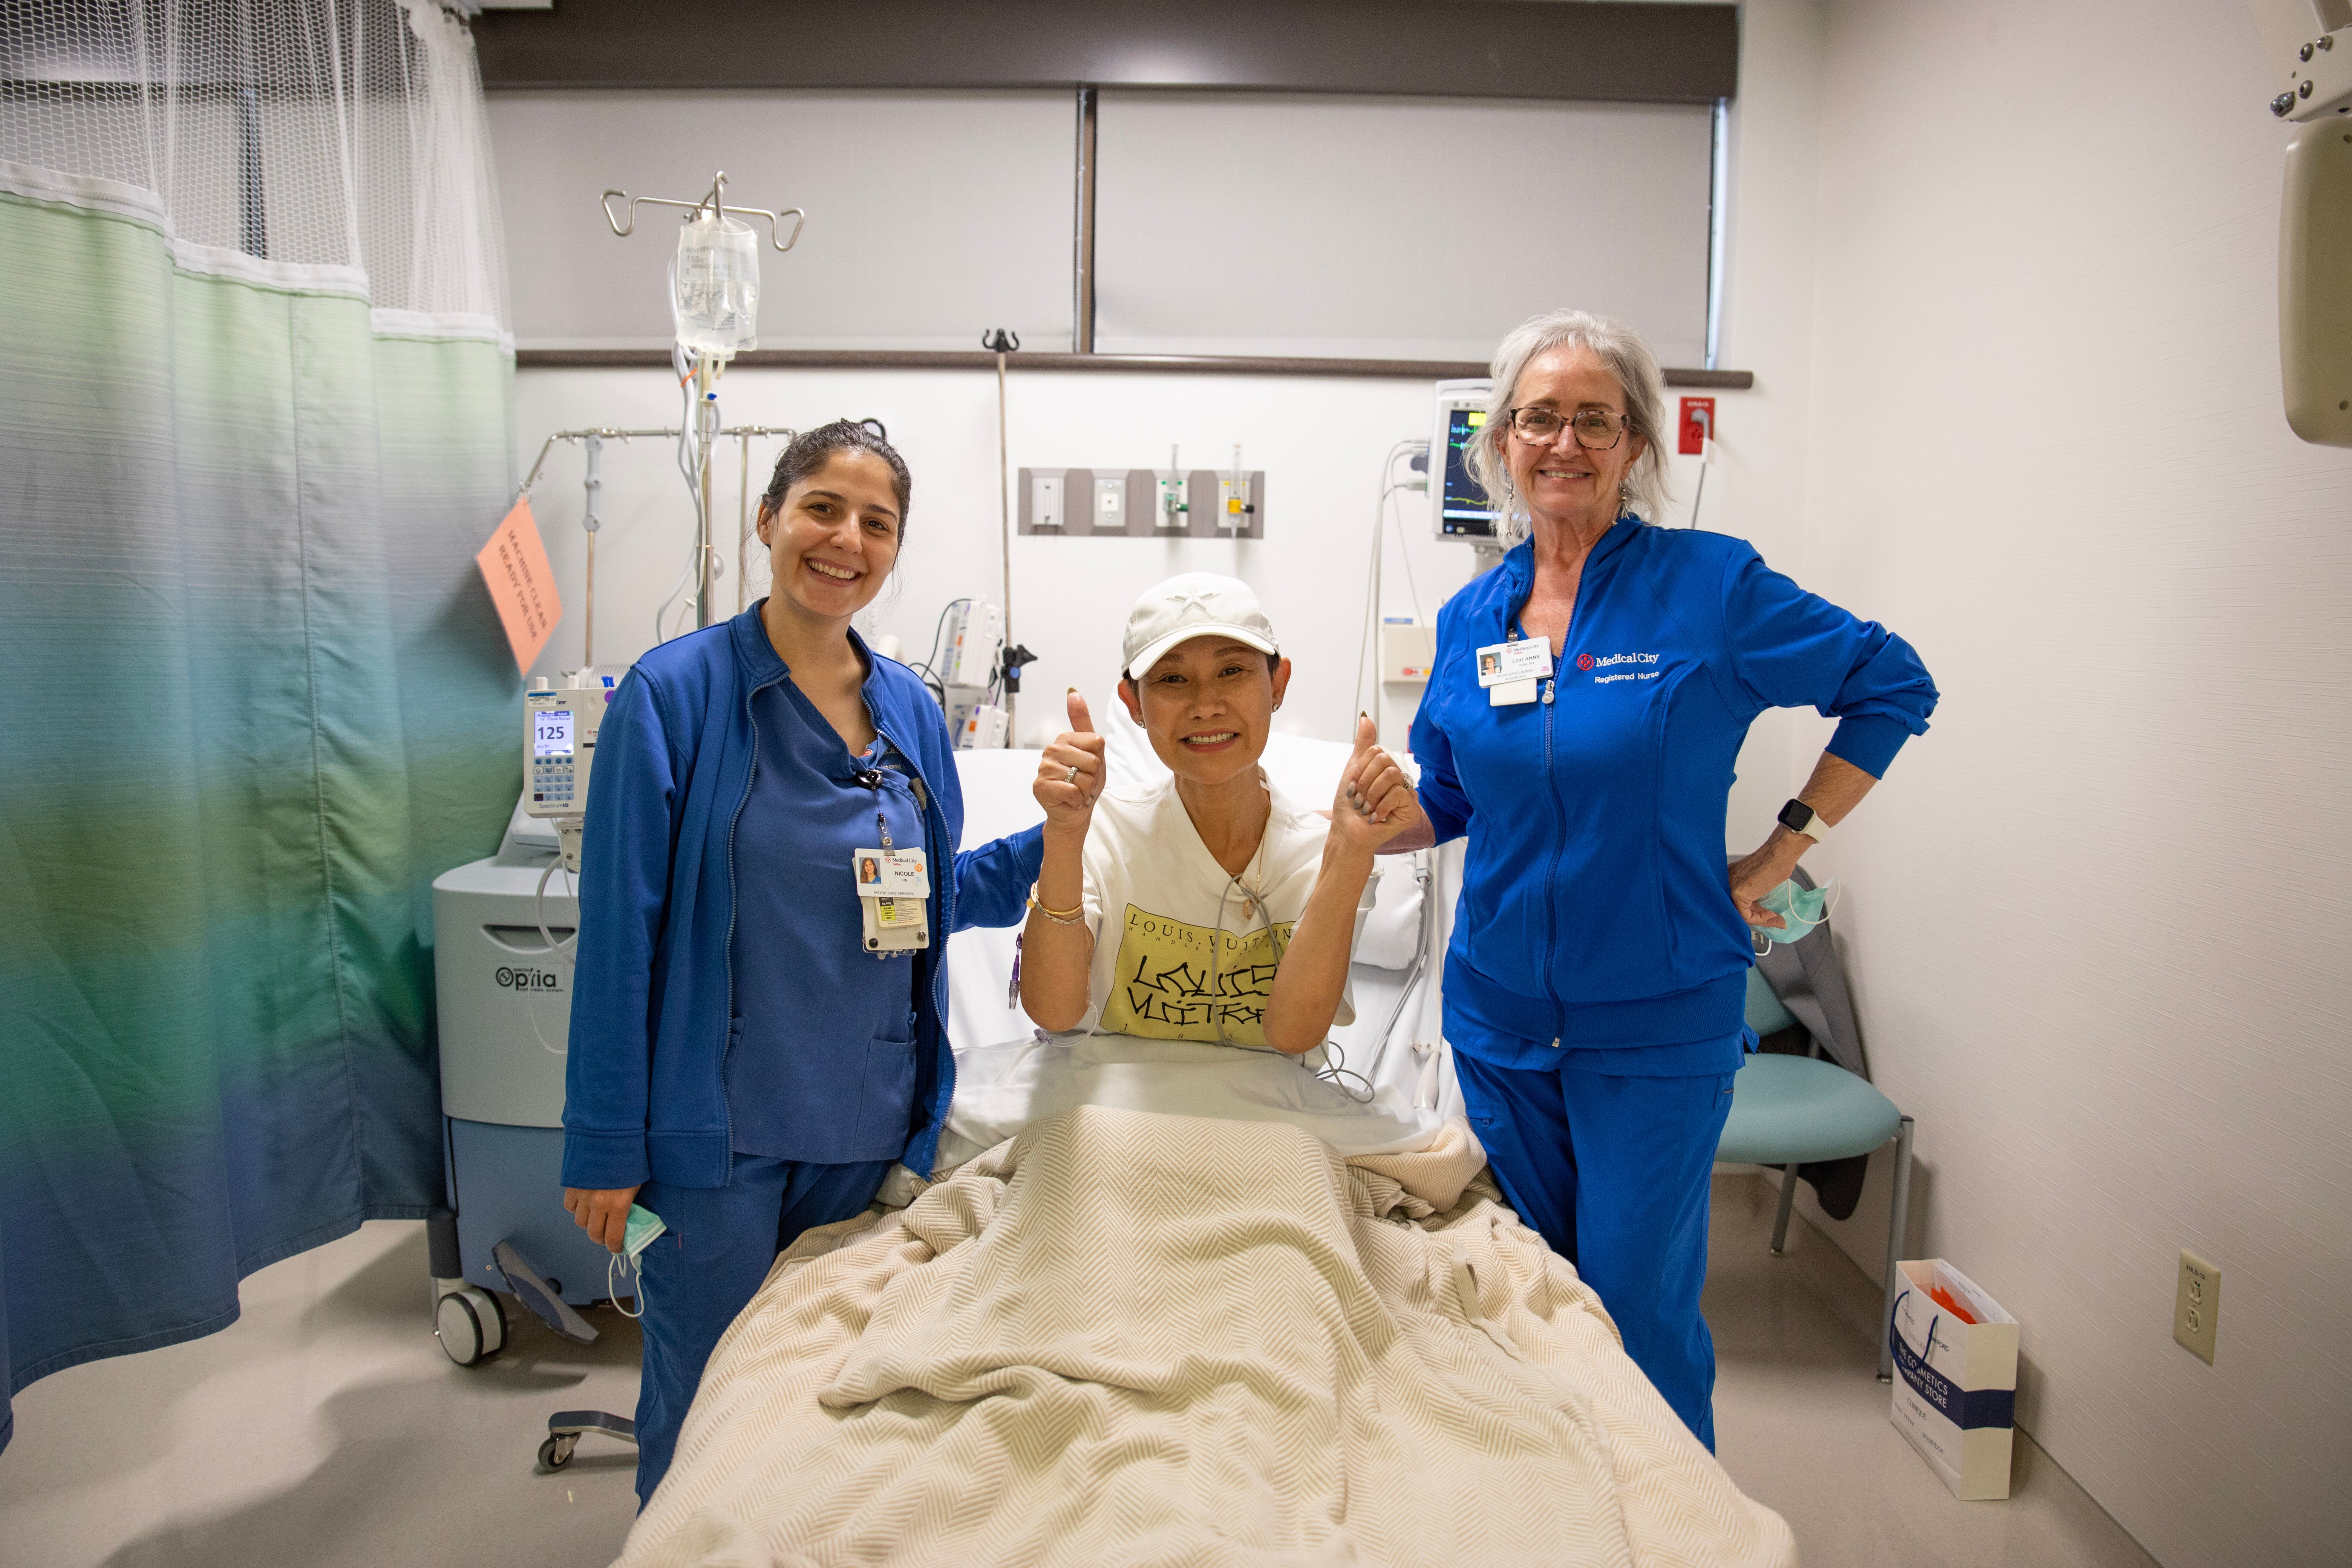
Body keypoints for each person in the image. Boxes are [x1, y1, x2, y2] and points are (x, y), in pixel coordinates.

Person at [1384, 310, 1939, 1450]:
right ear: (1502, 440)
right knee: (1528, 1303)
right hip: (1497, 1019)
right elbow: (1451, 800)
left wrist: (1782, 849)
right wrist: (1363, 824)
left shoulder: (1710, 588)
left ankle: (1671, 1526)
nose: (1566, 441)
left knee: (1635, 1313)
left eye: (1597, 417)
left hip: (1654, 1020)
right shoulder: (1469, 616)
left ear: (1636, 444)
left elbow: (1894, 684)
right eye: (1541, 417)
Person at [557, 419, 1043, 1505]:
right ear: (768, 517)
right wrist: (602, 1141)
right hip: (714, 1138)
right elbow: (620, 932)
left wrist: (1068, 832)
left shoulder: (911, 711)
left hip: (863, 1125)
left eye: (878, 523)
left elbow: (927, 898)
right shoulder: (674, 697)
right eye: (823, 507)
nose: (846, 539)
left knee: (818, 1411)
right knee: (705, 1418)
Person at [1018, 574, 1420, 1061]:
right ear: (1134, 705)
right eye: (1172, 679)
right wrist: (1064, 835)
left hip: (1274, 1120)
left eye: (1232, 671)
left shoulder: (1327, 851)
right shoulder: (1101, 834)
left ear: (1278, 684)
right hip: (1112, 1112)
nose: (1206, 705)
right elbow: (1053, 1013)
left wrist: (1351, 853)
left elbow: (1294, 1035)